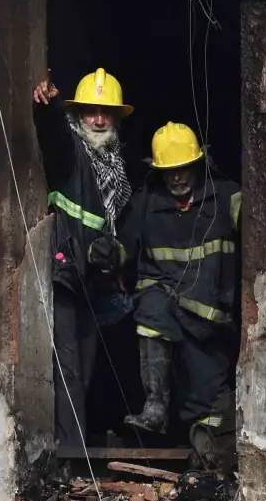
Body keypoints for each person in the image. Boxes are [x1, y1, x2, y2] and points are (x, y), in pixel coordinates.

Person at [123, 122, 241, 467]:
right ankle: (155, 405)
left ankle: (208, 461)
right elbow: (122, 249)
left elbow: (264, 232)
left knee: (209, 406)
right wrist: (104, 252)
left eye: (182, 168)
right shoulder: (144, 204)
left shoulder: (228, 197)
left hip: (210, 322)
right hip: (164, 303)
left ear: (197, 163)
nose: (176, 178)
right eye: (168, 171)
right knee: (149, 310)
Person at [33, 68, 136, 449]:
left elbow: (121, 229)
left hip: (93, 283)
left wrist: (114, 255)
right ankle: (71, 455)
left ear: (115, 118)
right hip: (66, 275)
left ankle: (76, 451)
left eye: (104, 112)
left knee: (87, 371)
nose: (97, 119)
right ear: (78, 115)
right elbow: (53, 138)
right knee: (70, 369)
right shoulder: (73, 153)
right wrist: (49, 107)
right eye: (90, 111)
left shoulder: (117, 170)